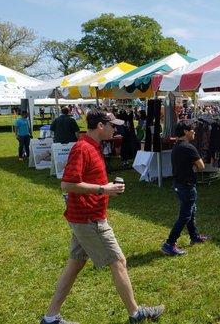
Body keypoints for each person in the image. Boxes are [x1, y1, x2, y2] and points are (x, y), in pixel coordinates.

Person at [40, 110, 163, 324]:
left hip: (86, 217)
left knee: (75, 264)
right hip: (89, 219)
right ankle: (136, 313)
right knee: (118, 261)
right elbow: (67, 184)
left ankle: (50, 318)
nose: (115, 129)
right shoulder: (82, 148)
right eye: (112, 125)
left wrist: (106, 189)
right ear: (100, 126)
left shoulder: (94, 146)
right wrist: (102, 190)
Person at [161, 122, 208, 256]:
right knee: (185, 215)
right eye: (192, 130)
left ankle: (194, 236)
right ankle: (169, 243)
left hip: (179, 184)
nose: (194, 132)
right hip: (187, 185)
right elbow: (201, 166)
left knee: (191, 211)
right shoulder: (189, 147)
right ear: (186, 131)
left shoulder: (177, 146)